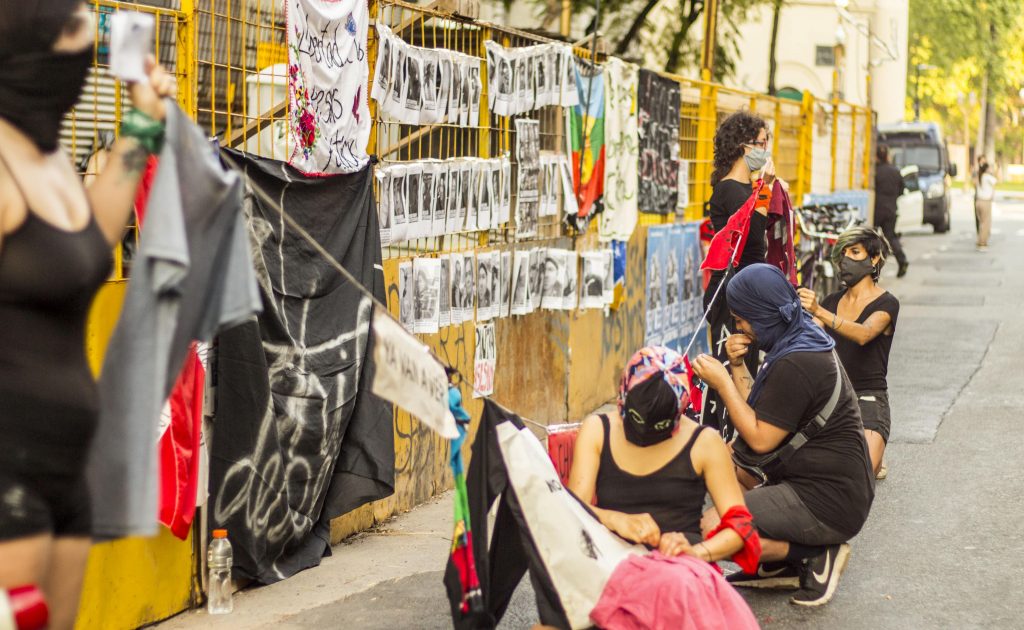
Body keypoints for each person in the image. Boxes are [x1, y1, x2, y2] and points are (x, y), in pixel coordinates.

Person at [0, 3, 176, 628]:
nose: (95, 42)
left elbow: (91, 240)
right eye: (80, 27)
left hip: (66, 478)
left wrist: (140, 126)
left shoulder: (46, 157)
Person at [692, 264, 874, 607]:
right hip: (823, 484)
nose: (739, 327)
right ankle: (778, 565)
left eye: (741, 318)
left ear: (761, 315)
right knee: (728, 461)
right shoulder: (797, 336)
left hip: (829, 501)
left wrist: (722, 383)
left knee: (714, 528)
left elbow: (761, 439)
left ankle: (815, 553)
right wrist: (736, 366)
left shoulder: (797, 361)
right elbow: (764, 417)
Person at [797, 227, 899, 480]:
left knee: (858, 474)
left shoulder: (887, 303)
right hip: (829, 396)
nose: (846, 260)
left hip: (868, 399)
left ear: (874, 259)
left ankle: (873, 446)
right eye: (842, 254)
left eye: (855, 252)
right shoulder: (832, 301)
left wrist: (819, 311)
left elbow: (864, 334)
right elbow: (808, 339)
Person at [703, 111, 776, 438]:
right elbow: (751, 239)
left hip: (750, 293)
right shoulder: (730, 190)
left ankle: (739, 443)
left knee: (748, 369)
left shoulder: (748, 187)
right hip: (733, 295)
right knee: (733, 370)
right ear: (743, 147)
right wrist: (765, 196)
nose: (766, 148)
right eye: (762, 143)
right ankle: (724, 443)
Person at [873, 145, 908, 277]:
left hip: (876, 210)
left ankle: (873, 267)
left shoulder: (875, 172)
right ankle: (902, 260)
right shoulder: (895, 171)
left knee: (872, 238)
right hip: (891, 210)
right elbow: (902, 190)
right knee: (890, 237)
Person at [975, 161, 996, 251]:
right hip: (985, 202)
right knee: (986, 223)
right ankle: (982, 243)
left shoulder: (979, 176)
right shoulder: (987, 177)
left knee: (981, 223)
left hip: (978, 201)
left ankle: (980, 240)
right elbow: (996, 181)